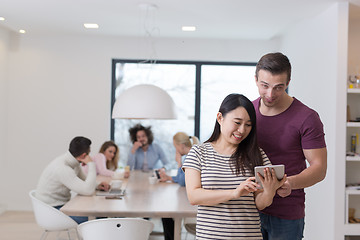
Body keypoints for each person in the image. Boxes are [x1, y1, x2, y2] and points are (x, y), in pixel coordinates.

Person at [183, 94, 286, 240]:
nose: (242, 130)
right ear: (220, 118)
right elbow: (194, 196)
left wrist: (269, 191)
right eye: (237, 122)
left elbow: (260, 204)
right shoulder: (199, 153)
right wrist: (234, 193)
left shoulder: (257, 154)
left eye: (248, 125)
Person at [253, 52, 327, 240]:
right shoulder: (246, 112)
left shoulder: (307, 117)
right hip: (249, 210)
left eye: (278, 87)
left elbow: (319, 168)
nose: (270, 94)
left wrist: (291, 183)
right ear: (255, 80)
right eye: (265, 86)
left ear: (288, 82)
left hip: (287, 213)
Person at [36, 136, 110, 224]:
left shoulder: (72, 162)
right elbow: (88, 191)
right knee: (83, 217)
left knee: (92, 207)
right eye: (88, 154)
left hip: (59, 205)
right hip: (51, 210)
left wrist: (98, 185)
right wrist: (91, 164)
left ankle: (99, 233)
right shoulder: (63, 168)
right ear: (84, 155)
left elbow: (85, 180)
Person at [158, 132, 199, 240]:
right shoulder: (191, 154)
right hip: (191, 198)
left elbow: (182, 181)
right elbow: (183, 177)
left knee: (166, 214)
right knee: (166, 213)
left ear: (181, 146)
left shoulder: (190, 156)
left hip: (194, 203)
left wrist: (179, 162)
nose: (175, 150)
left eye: (175, 147)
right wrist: (170, 178)